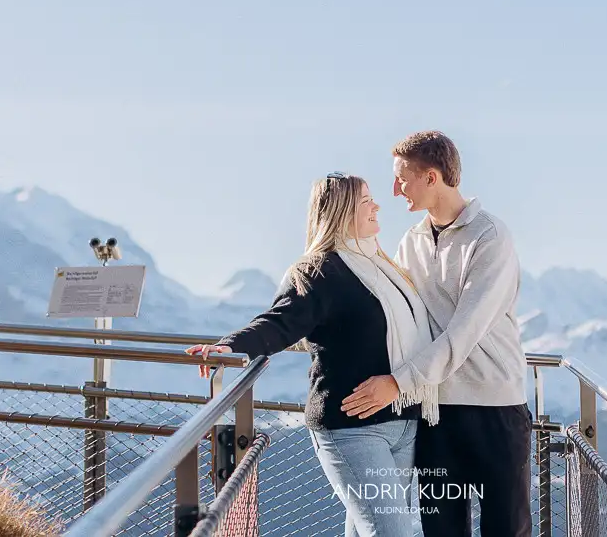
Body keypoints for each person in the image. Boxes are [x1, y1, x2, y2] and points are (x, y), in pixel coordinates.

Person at [185, 172, 438, 537]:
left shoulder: (386, 269)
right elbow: (280, 322)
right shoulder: (319, 271)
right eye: (365, 201)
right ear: (341, 211)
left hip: (403, 421)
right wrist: (231, 346)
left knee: (368, 530)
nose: (377, 206)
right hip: (353, 429)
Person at [340, 131, 532, 537]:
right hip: (435, 414)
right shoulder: (411, 242)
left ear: (431, 178)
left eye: (402, 179)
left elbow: (464, 332)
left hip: (494, 411)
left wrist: (397, 383)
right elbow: (393, 314)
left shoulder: (490, 237)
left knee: (506, 530)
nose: (395, 190)